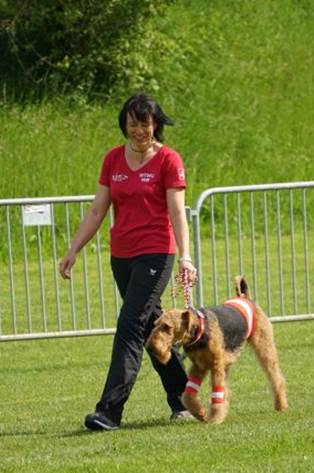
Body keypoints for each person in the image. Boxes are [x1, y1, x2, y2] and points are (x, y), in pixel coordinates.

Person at [59, 93, 197, 431]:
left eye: (145, 123)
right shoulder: (112, 160)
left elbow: (177, 212)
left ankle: (109, 411)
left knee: (129, 326)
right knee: (150, 325)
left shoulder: (168, 160)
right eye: (133, 123)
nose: (139, 130)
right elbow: (97, 210)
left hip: (156, 252)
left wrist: (185, 257)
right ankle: (183, 398)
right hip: (121, 256)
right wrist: (73, 249)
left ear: (156, 125)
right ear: (125, 124)